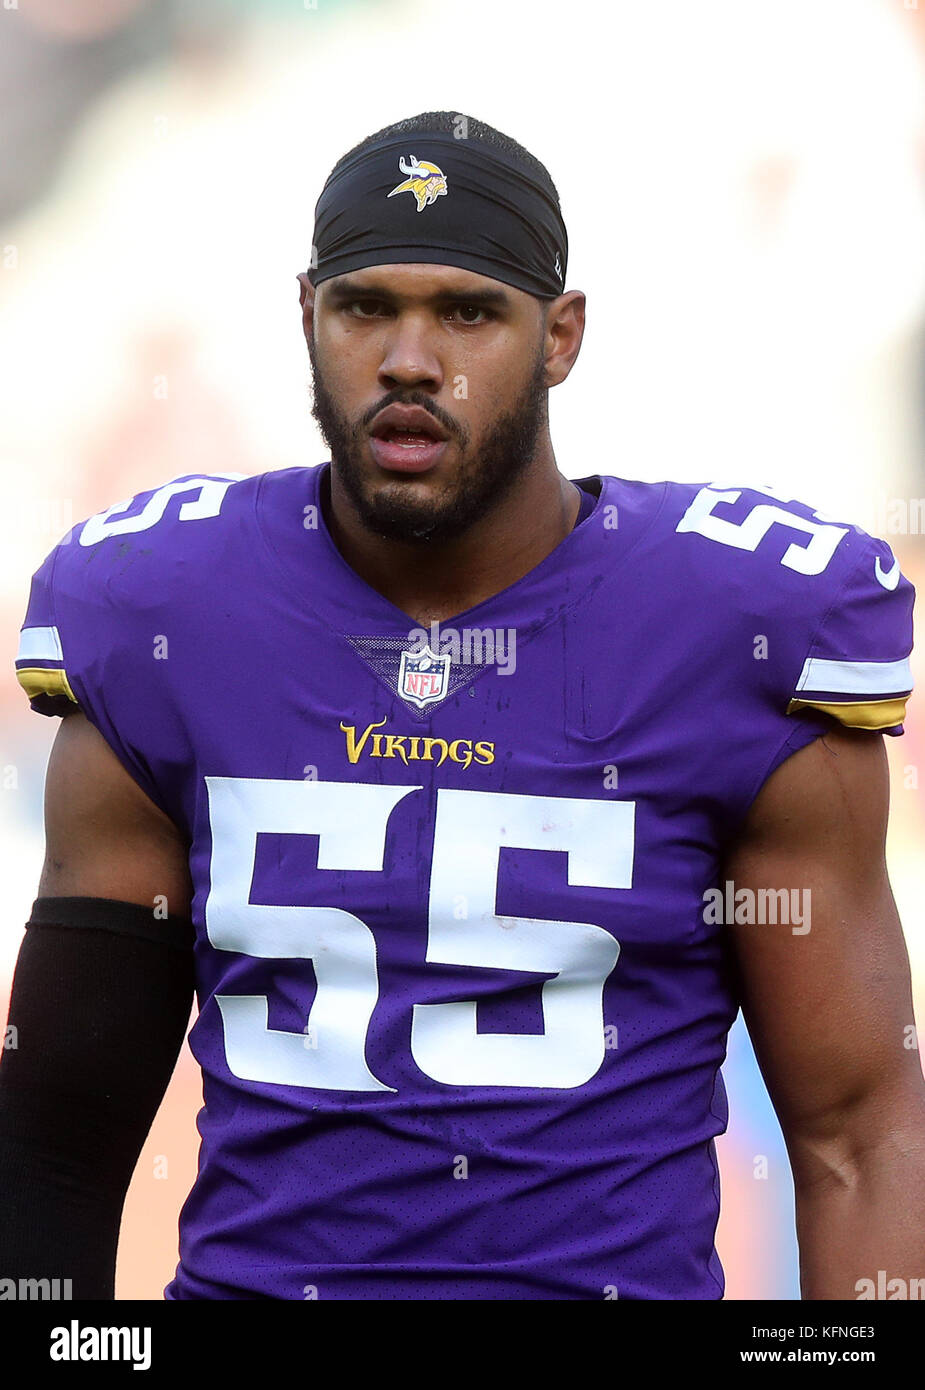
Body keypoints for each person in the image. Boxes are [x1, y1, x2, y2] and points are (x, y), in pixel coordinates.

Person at [2, 110, 922, 1301]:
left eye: (468, 311)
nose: (407, 360)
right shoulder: (165, 614)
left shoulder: (738, 626)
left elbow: (858, 1131)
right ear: (306, 317)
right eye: (366, 306)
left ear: (561, 336)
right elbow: (59, 1135)